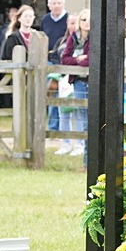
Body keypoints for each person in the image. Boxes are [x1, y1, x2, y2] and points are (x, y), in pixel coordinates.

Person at [60, 9, 91, 158]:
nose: (87, 23)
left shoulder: (96, 36)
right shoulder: (73, 37)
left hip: (92, 80)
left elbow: (91, 60)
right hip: (77, 80)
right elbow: (64, 58)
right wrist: (78, 59)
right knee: (80, 113)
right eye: (84, 19)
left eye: (90, 20)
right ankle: (81, 147)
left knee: (90, 116)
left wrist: (81, 60)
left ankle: (86, 151)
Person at [40, 0, 69, 139]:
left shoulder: (68, 19)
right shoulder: (45, 19)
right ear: (49, 5)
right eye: (54, 3)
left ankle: (62, 128)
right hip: (49, 60)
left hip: (63, 61)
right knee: (50, 93)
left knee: (63, 93)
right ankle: (52, 127)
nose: (56, 5)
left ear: (63, 4)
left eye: (59, 3)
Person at [53, 13, 80, 155]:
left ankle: (78, 144)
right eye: (71, 22)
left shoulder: (83, 41)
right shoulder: (61, 41)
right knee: (62, 112)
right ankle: (65, 143)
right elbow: (57, 58)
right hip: (62, 79)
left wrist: (73, 61)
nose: (73, 25)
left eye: (76, 22)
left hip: (76, 79)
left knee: (77, 112)